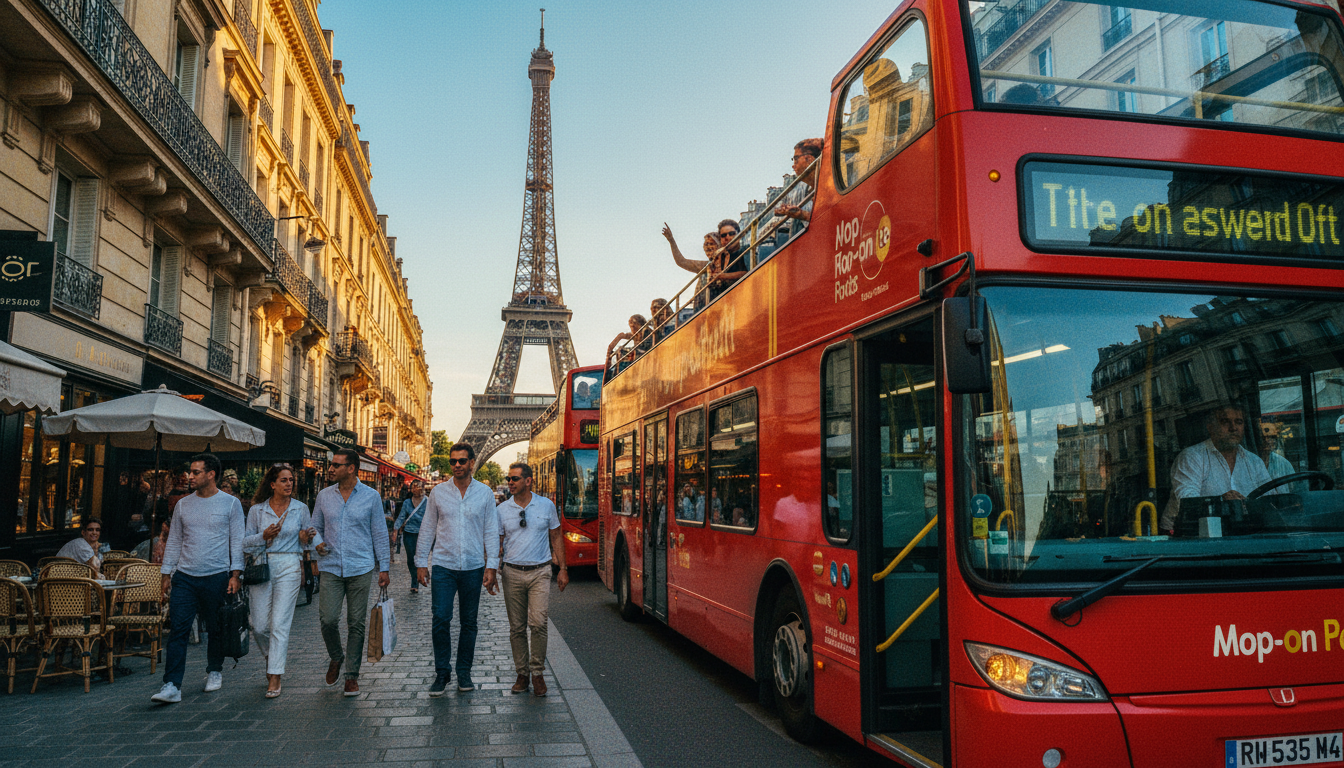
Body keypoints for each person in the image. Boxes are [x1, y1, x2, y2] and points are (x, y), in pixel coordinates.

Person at [150, 453, 244, 704]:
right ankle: (171, 684)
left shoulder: (230, 504)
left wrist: (236, 574)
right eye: (190, 472)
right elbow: (175, 541)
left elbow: (237, 541)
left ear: (211, 474)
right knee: (178, 629)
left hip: (216, 575)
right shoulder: (182, 504)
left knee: (215, 627)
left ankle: (215, 670)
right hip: (185, 577)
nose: (189, 476)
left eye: (195, 472)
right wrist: (166, 574)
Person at [416, 444, 500, 696]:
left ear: (472, 462)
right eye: (453, 461)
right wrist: (421, 562)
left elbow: (490, 531)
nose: (457, 465)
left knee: (469, 622)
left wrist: (492, 566)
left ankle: (464, 671)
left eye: (462, 461)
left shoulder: (485, 493)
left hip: (473, 566)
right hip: (444, 565)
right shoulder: (438, 492)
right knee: (441, 618)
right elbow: (428, 527)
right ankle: (442, 672)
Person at [312, 447, 392, 697]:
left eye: (336, 465)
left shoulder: (371, 496)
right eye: (331, 464)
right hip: (332, 566)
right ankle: (336, 656)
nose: (331, 468)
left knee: (356, 623)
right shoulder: (324, 495)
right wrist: (317, 544)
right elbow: (315, 527)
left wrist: (385, 568)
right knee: (328, 619)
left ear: (351, 468)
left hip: (361, 566)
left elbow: (379, 532)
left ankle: (351, 675)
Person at [244, 463, 318, 698]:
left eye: (291, 480)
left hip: (289, 564)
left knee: (279, 623)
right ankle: (270, 656)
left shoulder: (300, 508)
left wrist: (306, 539)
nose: (289, 484)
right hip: (262, 565)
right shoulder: (257, 510)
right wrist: (263, 536)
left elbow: (306, 541)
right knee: (258, 625)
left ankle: (275, 675)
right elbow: (244, 543)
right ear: (272, 484)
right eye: (284, 480)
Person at [497, 462, 567, 697]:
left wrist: (563, 568)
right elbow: (497, 542)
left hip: (540, 571)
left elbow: (556, 536)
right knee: (516, 628)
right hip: (512, 572)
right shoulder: (502, 509)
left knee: (538, 623)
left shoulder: (546, 506)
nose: (510, 482)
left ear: (528, 481)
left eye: (515, 478)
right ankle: (522, 674)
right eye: (509, 478)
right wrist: (491, 570)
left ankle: (537, 673)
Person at [1160, 405, 1283, 533]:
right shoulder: (1192, 457)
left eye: (1239, 422)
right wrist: (1221, 502)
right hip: (1188, 533)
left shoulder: (1254, 462)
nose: (1233, 428)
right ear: (1210, 427)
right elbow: (1186, 501)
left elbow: (1270, 500)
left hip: (1240, 532)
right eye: (1225, 422)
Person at [775, 138, 823, 226]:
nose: (793, 166)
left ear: (809, 159)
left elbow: (830, 219)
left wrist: (802, 215)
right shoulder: (808, 191)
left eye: (796, 159)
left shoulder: (827, 185)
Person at [393, 479, 429, 594]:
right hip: (409, 533)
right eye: (413, 486)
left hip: (422, 533)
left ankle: (417, 580)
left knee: (419, 557)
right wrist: (395, 529)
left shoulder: (427, 502)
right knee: (410, 559)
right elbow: (401, 517)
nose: (415, 489)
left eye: (418, 486)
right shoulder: (407, 503)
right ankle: (415, 578)